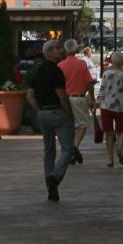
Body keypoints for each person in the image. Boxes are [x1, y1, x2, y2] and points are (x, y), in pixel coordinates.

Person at [27, 39, 74, 201]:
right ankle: (55, 177)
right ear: (49, 52)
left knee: (48, 150)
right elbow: (62, 96)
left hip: (43, 114)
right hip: (58, 112)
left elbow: (29, 96)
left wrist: (39, 110)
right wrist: (69, 113)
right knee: (67, 149)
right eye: (57, 49)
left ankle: (49, 184)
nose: (60, 51)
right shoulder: (56, 71)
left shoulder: (38, 71)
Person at [59, 40, 95, 166]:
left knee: (67, 125)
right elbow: (89, 82)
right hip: (79, 98)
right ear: (76, 50)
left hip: (64, 99)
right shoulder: (82, 64)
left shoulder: (60, 65)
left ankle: (70, 150)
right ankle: (75, 145)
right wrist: (92, 97)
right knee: (82, 125)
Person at [98, 51, 123, 168]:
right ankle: (119, 149)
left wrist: (96, 104)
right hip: (121, 105)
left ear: (112, 61)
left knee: (108, 132)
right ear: (122, 61)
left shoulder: (106, 74)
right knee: (121, 130)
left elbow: (102, 89)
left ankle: (109, 159)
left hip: (106, 105)